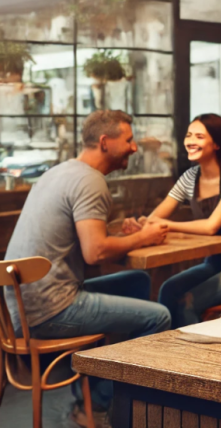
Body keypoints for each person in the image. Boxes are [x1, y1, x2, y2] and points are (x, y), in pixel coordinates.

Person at [3, 110, 171, 423]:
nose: (135, 148)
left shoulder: (61, 172)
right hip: (49, 311)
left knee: (136, 281)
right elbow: (94, 252)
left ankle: (93, 389)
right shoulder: (91, 181)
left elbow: (84, 238)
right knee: (159, 317)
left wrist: (124, 233)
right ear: (105, 142)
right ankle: (107, 407)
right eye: (129, 140)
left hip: (19, 308)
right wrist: (145, 237)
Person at [135, 114, 221, 327]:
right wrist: (141, 225)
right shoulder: (189, 177)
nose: (190, 141)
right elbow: (155, 218)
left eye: (199, 136)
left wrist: (165, 225)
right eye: (188, 135)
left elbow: (211, 226)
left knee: (188, 302)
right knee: (168, 289)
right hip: (214, 263)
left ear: (216, 143)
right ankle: (167, 353)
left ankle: (190, 358)